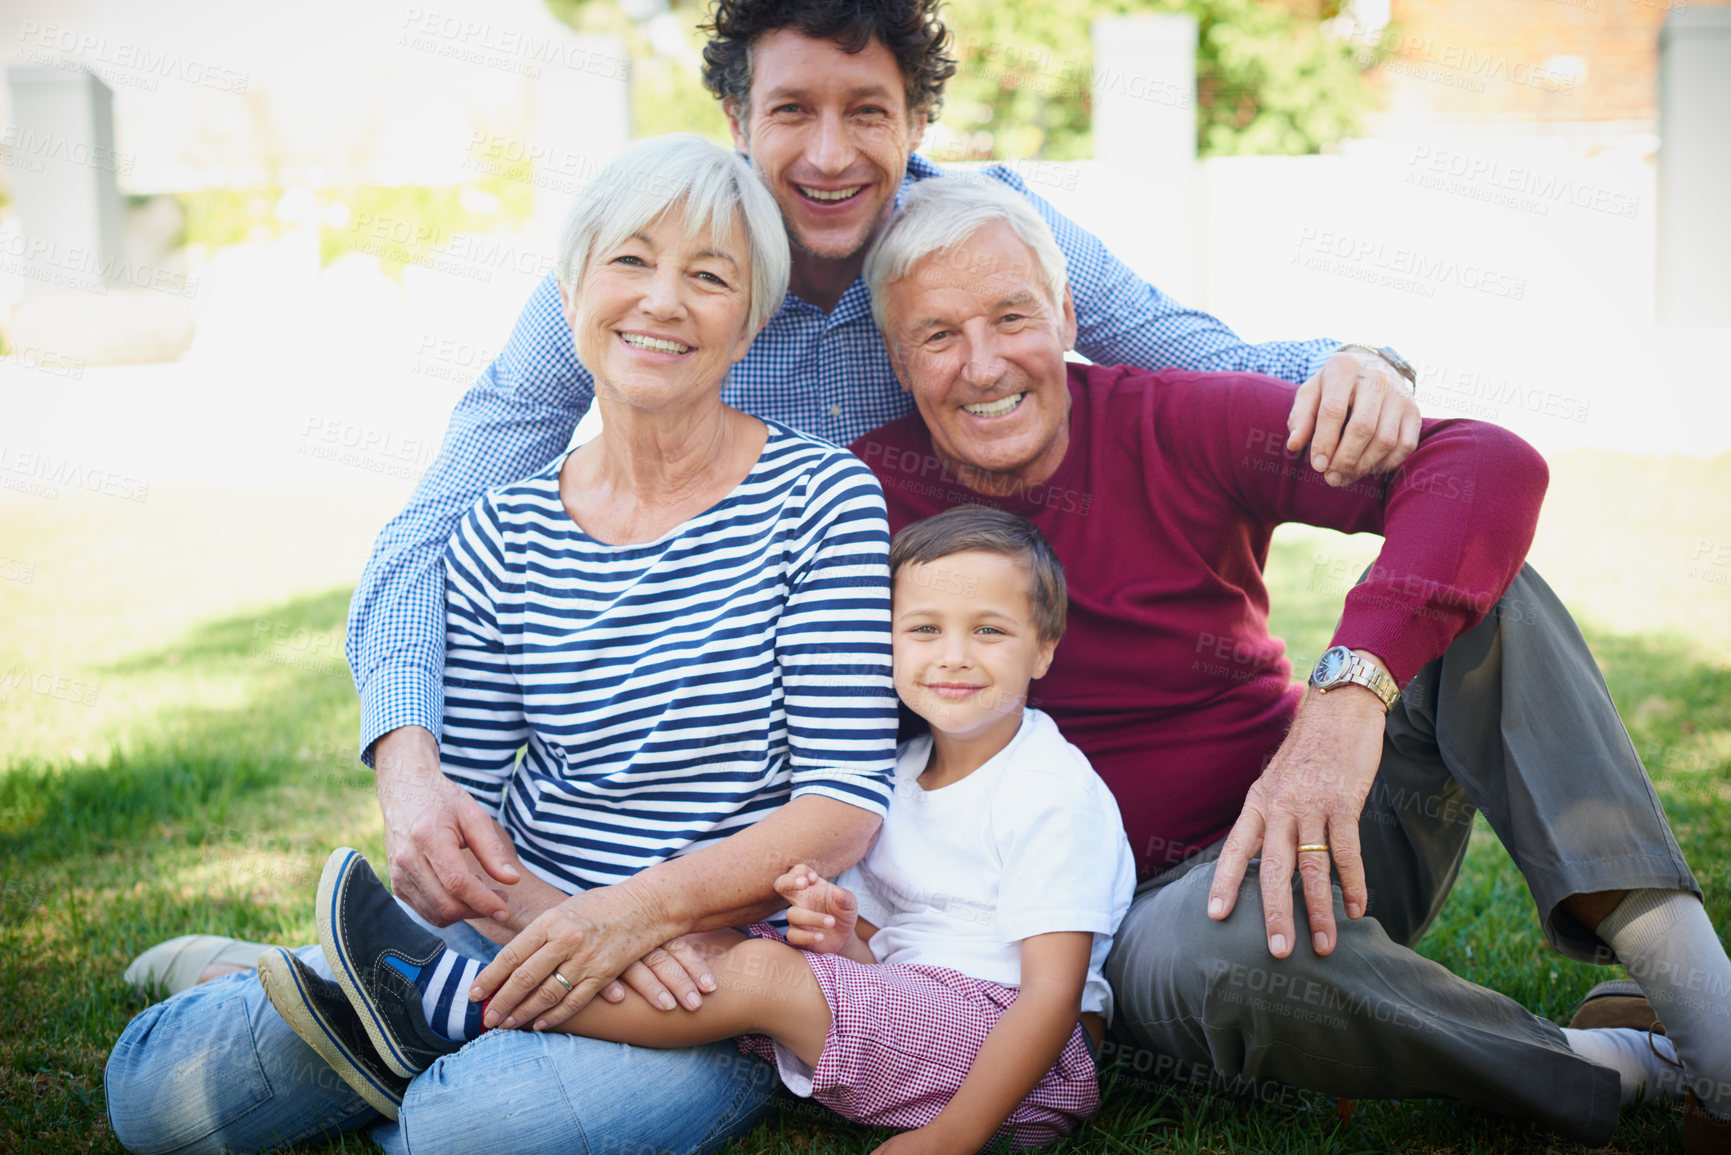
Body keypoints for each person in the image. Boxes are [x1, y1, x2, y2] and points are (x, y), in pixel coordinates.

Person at [348, 0, 1427, 989]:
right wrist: (404, 756)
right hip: (760, 726)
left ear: (915, 121)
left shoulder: (979, 230)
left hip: (950, 703)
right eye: (790, 111)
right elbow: (436, 521)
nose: (829, 153)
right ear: (734, 115)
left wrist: (1357, 360)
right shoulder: (655, 268)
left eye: (866, 111)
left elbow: (1187, 354)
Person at [847, 177, 1731, 1150]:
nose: (981, 365)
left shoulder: (1171, 417)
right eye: (937, 335)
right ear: (895, 357)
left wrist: (1350, 693)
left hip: (1333, 833)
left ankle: (1712, 1026)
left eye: (1011, 317)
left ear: (1063, 314)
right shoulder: (868, 497)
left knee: (1489, 586)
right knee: (1199, 954)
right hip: (1134, 929)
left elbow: (1485, 461)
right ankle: (1618, 1064)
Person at [106, 135, 900, 1153]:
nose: (662, 300)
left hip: (705, 974)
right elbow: (461, 827)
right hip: (506, 927)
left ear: (746, 327)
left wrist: (641, 919)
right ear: (569, 298)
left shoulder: (822, 500)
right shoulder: (499, 529)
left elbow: (840, 808)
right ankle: (361, 997)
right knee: (150, 1097)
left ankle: (377, 1015)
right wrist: (569, 932)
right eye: (630, 261)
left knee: (465, 1130)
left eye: (709, 277)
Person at [262, 507, 1136, 1153]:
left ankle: (462, 1006)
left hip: (1022, 1065)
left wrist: (955, 1137)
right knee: (728, 940)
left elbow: (1051, 998)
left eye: (989, 631)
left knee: (756, 967)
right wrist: (840, 934)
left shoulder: (1052, 793)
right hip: (917, 1019)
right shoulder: (901, 773)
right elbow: (889, 953)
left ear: (1044, 645)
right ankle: (470, 995)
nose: (952, 655)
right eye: (923, 630)